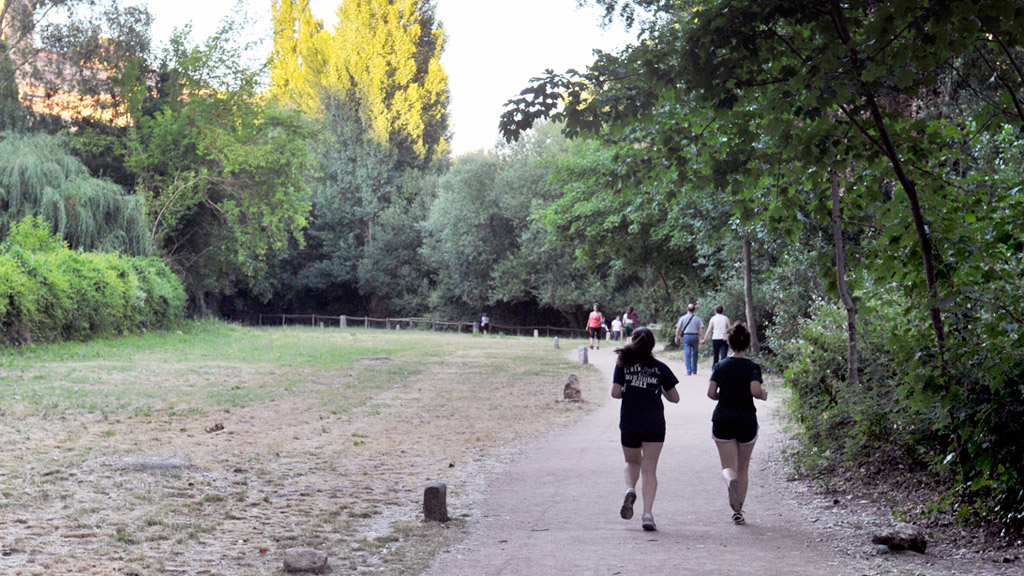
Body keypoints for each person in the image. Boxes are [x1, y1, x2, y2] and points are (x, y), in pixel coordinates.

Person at [612, 327, 680, 531]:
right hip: (654, 424)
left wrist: (631, 390)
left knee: (631, 461)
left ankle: (630, 489)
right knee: (649, 469)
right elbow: (675, 398)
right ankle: (647, 514)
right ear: (652, 345)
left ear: (632, 342)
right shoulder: (660, 368)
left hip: (630, 422)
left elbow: (615, 393)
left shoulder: (623, 365)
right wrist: (659, 390)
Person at [706, 323, 768, 525]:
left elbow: (710, 393)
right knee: (743, 468)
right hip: (746, 419)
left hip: (723, 418)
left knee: (728, 467)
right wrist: (763, 395)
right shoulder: (752, 367)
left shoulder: (720, 366)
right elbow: (755, 391)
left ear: (729, 343)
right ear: (747, 344)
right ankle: (738, 511)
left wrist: (721, 397)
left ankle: (730, 482)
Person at [674, 303, 704, 375]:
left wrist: (676, 337)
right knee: (695, 353)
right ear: (694, 310)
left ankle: (688, 371)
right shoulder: (698, 319)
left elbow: (678, 329)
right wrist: (702, 338)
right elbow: (701, 329)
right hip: (695, 336)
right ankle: (694, 370)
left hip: (686, 336)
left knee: (687, 353)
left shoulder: (682, 318)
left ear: (687, 309)